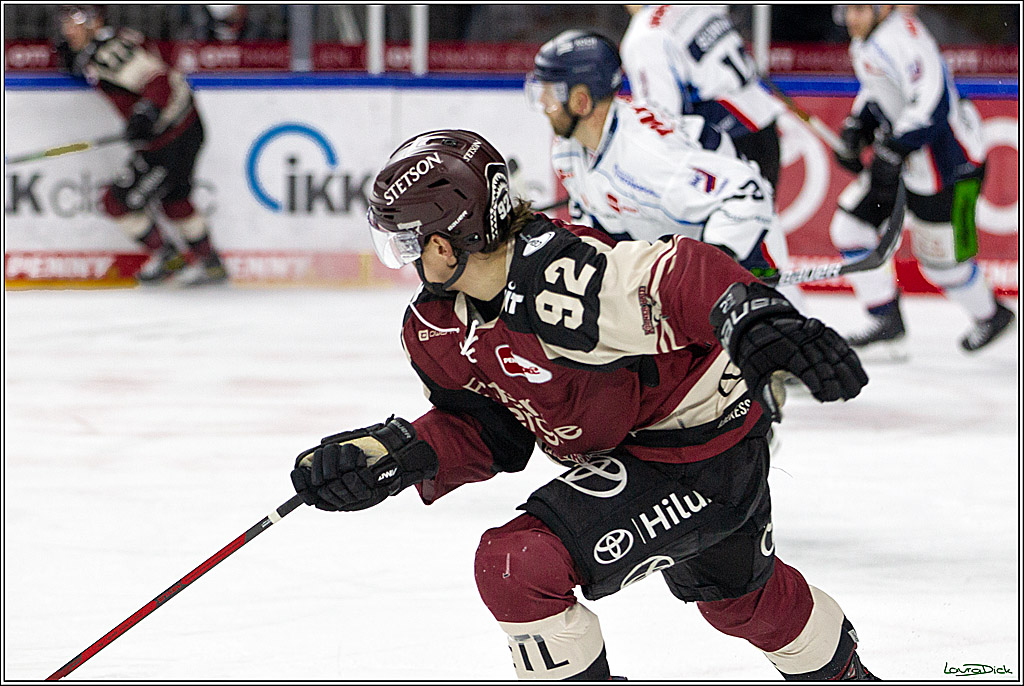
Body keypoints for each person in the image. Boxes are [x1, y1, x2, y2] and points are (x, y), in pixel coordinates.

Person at [289, 128, 879, 680]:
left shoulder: (558, 280)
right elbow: (495, 429)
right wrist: (394, 453)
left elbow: (675, 276)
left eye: (405, 244)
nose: (406, 261)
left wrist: (752, 317)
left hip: (696, 449)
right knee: (743, 604)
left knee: (517, 564)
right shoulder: (435, 325)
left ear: (443, 246)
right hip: (641, 447)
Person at [829, 5, 1013, 354]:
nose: (850, 17)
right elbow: (881, 86)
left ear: (882, 10)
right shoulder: (868, 39)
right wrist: (860, 124)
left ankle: (991, 315)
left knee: (942, 267)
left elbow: (933, 104)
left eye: (858, 8)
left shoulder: (901, 39)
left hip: (950, 168)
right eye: (846, 8)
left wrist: (895, 147)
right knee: (850, 228)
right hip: (910, 161)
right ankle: (886, 320)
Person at [55, 5, 228, 286]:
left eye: (74, 21)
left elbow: (158, 80)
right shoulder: (106, 45)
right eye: (65, 21)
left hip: (170, 138)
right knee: (175, 199)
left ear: (95, 22)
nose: (66, 29)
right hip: (182, 128)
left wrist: (146, 114)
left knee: (117, 201)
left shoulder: (108, 51)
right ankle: (210, 265)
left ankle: (171, 258)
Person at [619, 5, 786, 192]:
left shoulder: (645, 35)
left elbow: (660, 117)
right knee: (760, 215)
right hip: (763, 121)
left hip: (723, 140)